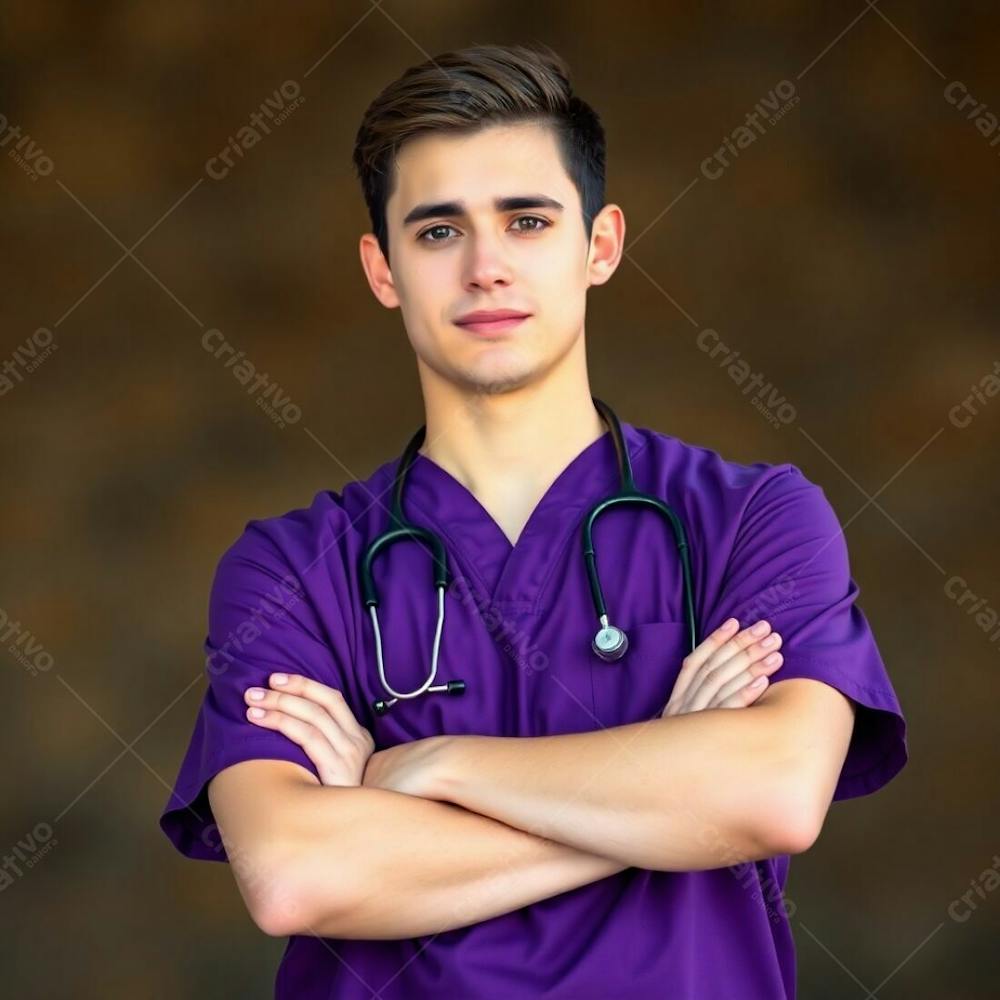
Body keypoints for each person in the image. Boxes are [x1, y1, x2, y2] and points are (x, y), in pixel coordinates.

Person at [158, 43, 908, 999]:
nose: (486, 268)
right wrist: (663, 795)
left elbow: (771, 795)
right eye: (437, 232)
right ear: (382, 267)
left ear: (599, 244)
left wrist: (422, 767)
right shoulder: (292, 569)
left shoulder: (754, 520)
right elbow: (297, 874)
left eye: (526, 220)